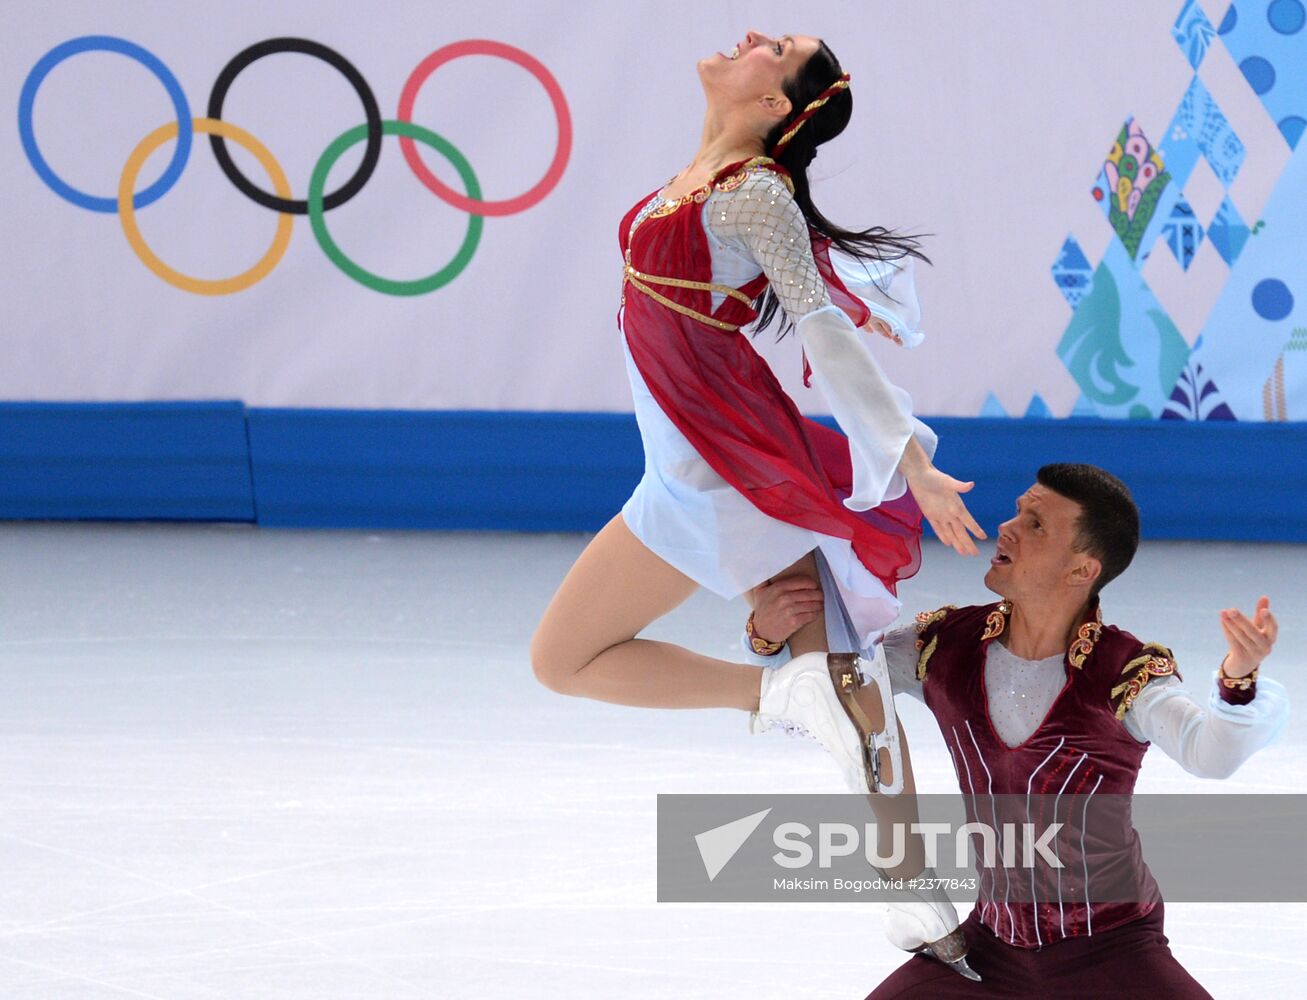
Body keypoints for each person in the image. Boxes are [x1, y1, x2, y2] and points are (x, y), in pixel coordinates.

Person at [530, 30, 985, 976]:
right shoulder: (712, 174)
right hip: (700, 464)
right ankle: (803, 727)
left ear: (776, 103)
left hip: (723, 463)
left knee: (583, 660)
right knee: (576, 659)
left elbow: (822, 324)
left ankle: (906, 885)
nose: (749, 39)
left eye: (772, 47)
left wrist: (911, 460)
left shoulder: (753, 193)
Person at [747, 463, 1289, 998]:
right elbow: (830, 694)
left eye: (1035, 524)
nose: (1007, 527)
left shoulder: (1123, 672)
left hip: (1113, 952)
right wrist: (766, 634)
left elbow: (1210, 754)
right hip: (988, 951)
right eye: (1018, 512)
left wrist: (1238, 683)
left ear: (1081, 570)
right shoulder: (946, 645)